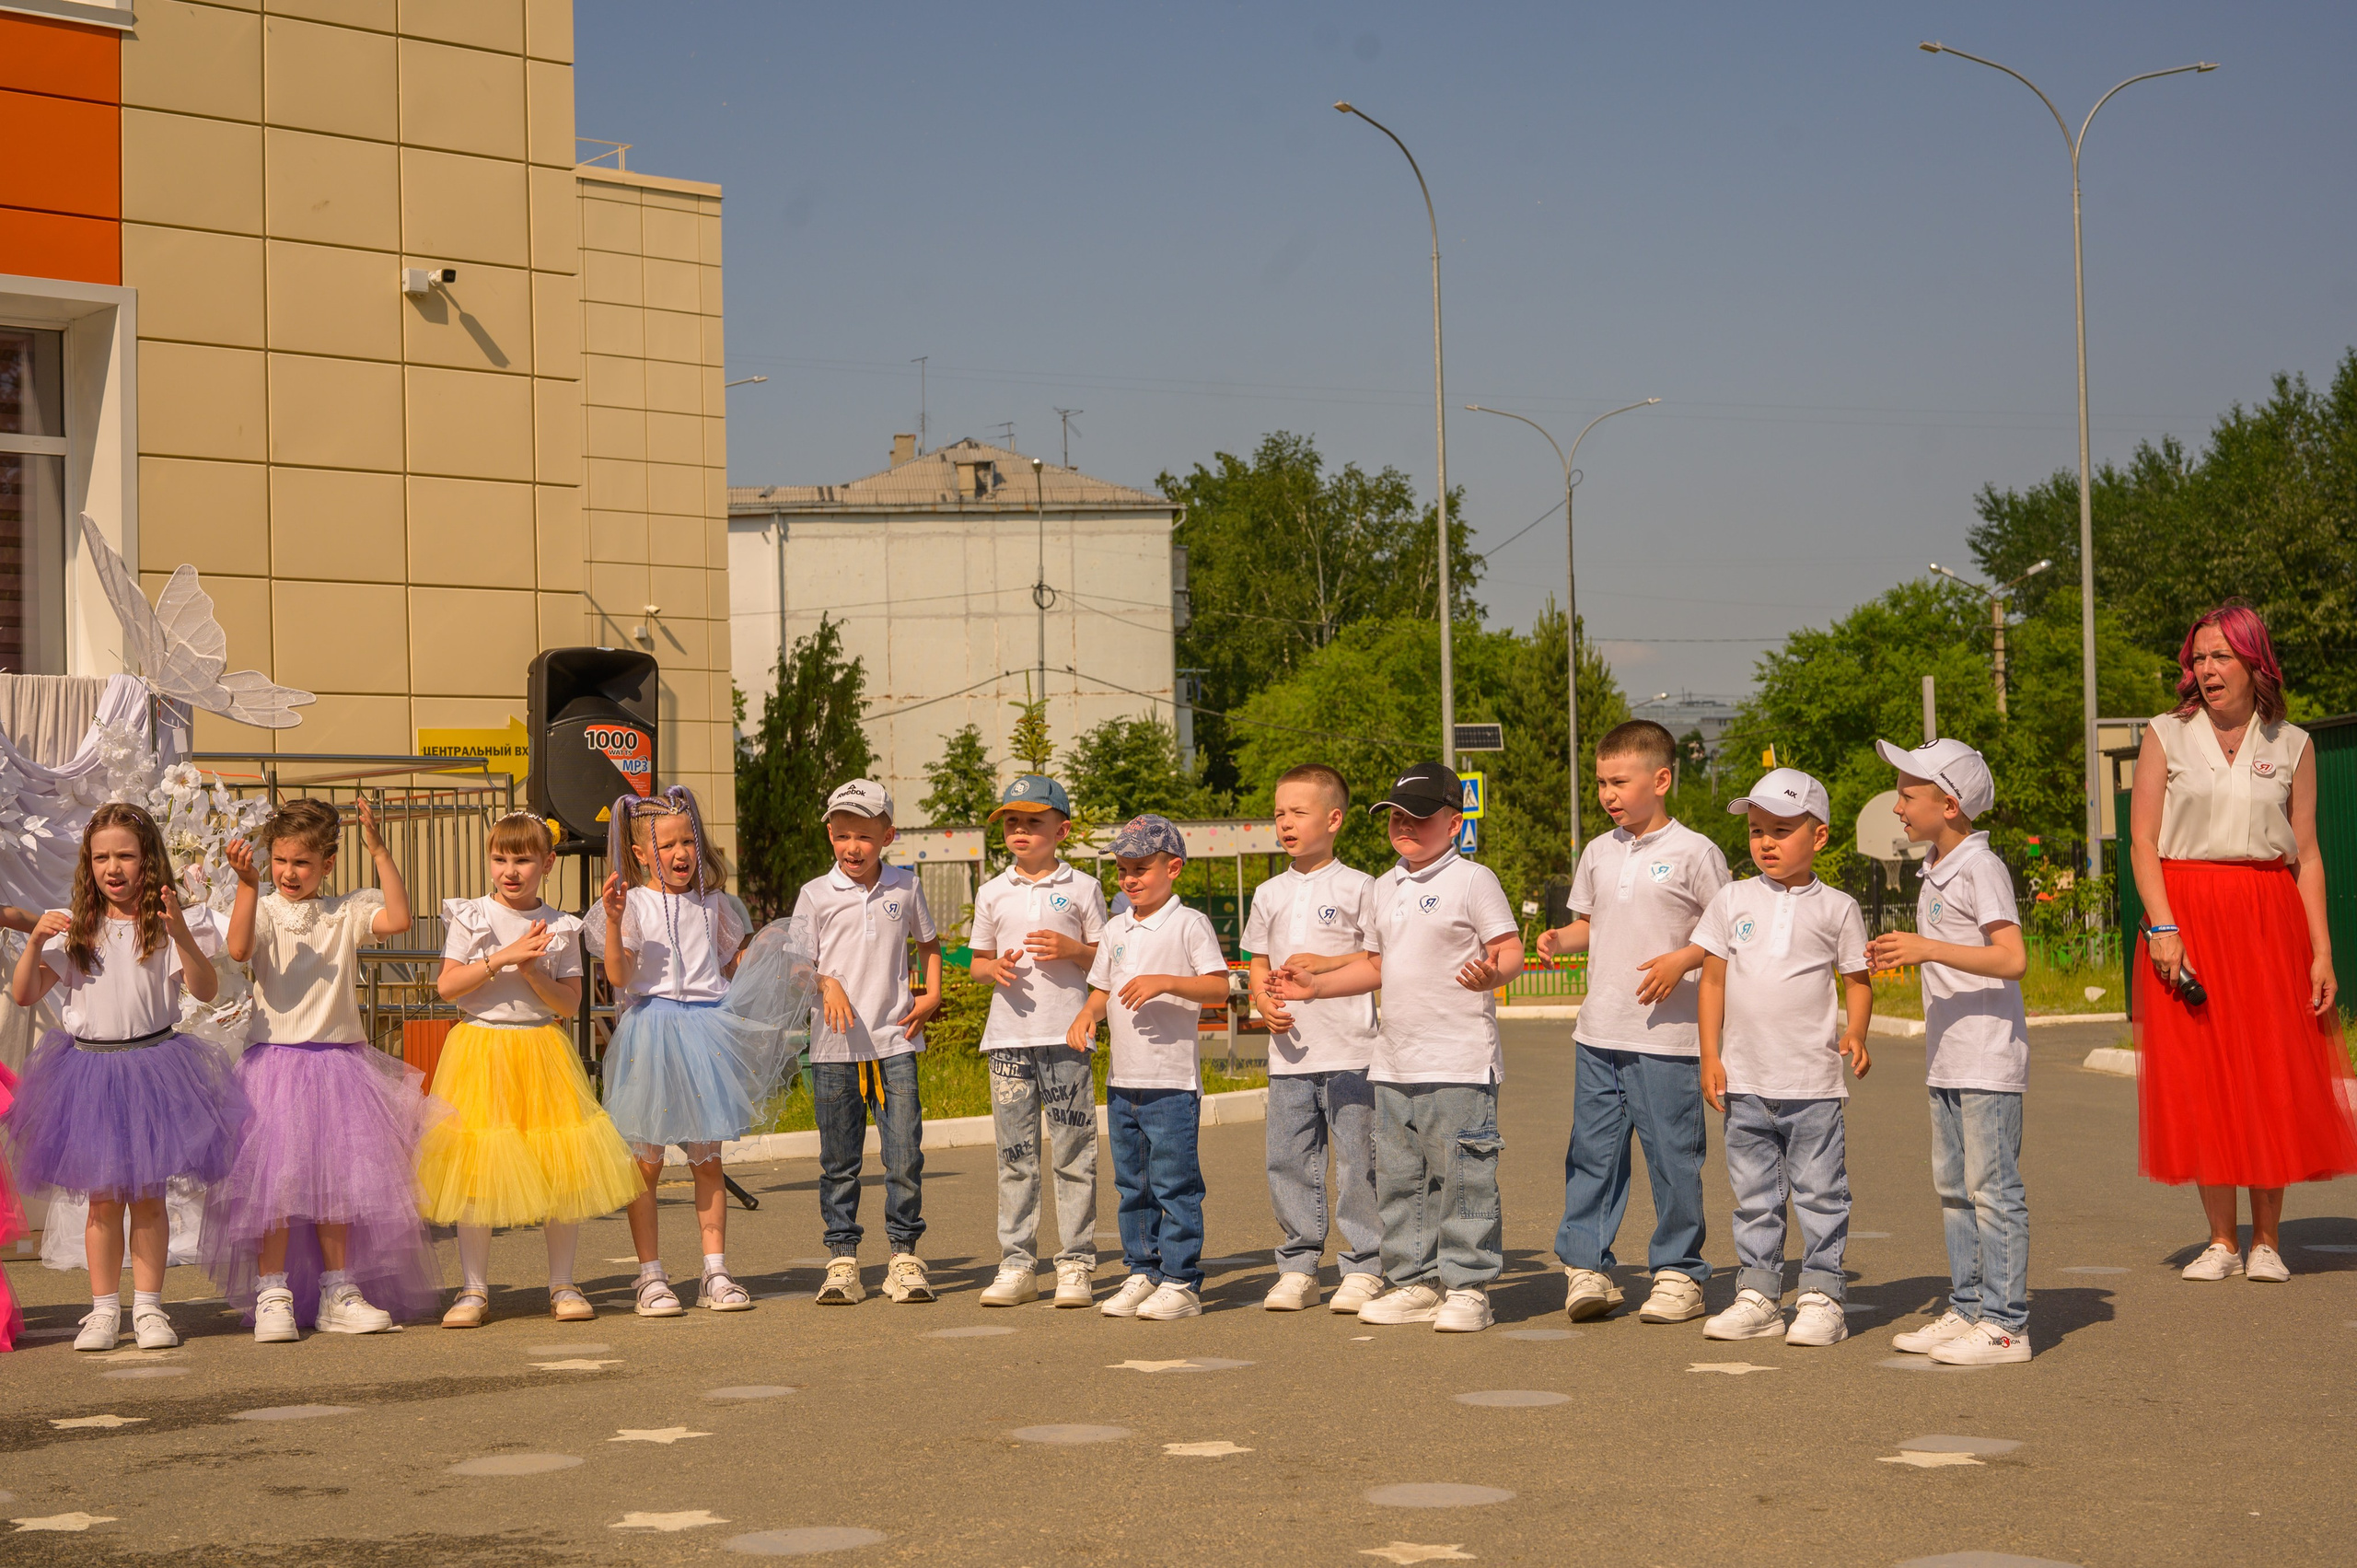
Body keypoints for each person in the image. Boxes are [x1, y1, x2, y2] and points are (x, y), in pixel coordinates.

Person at [2129, 602, 2357, 1282]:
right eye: (2198, 657)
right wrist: (2163, 926)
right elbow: (2143, 841)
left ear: (2255, 664)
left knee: (2267, 1073)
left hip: (2267, 917)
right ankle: (2222, 1241)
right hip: (2186, 915)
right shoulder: (2165, 735)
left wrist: (2322, 950)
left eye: (2220, 656)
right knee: (2203, 1076)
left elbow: (2307, 854)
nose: (2206, 669)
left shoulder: (2294, 744)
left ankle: (2266, 1242)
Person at [1265, 761, 1523, 1334]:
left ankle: (1469, 1287)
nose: (1405, 826)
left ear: (1453, 823)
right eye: (1395, 817)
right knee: (1402, 1180)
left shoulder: (1473, 880)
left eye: (1420, 817)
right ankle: (1414, 1282)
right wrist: (1318, 986)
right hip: (1394, 1062)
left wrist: (1493, 974)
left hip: (1459, 1060)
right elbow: (1378, 965)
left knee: (1462, 1176)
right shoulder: (1385, 886)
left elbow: (1510, 950)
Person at [5, 805, 247, 1352]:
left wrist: (180, 931)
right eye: (101, 857)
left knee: (150, 1199)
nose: (112, 867)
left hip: (154, 1070)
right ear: (88, 864)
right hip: (89, 1075)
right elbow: (24, 993)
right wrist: (35, 939)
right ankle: (103, 1310)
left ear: (148, 860)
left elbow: (205, 989)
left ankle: (150, 1307)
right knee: (103, 1201)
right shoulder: (75, 927)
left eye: (125, 856)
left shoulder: (165, 925)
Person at [206, 797, 443, 1342]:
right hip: (275, 1064)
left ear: (327, 864)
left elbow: (399, 919)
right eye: (281, 860)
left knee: (339, 1182)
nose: (289, 873)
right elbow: (239, 950)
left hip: (339, 1066)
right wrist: (247, 884)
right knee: (276, 1185)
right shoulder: (264, 907)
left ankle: (339, 1290)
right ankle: (273, 1292)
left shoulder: (346, 910)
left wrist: (379, 851)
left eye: (302, 863)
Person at [1536, 720, 1730, 1325]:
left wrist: (1682, 959)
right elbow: (1591, 925)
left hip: (1668, 1039)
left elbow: (1726, 934)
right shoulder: (1598, 851)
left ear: (1661, 780)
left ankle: (1679, 1272)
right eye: (1601, 782)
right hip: (1599, 1033)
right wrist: (1559, 938)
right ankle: (1586, 1267)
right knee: (1592, 1154)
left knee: (1673, 1157)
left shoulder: (1696, 852)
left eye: (1619, 781)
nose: (1608, 794)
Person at [416, 812, 642, 1328]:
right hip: (479, 1048)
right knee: (476, 1167)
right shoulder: (472, 915)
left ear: (548, 862)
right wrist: (502, 958)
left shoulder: (561, 926)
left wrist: (532, 971)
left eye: (522, 859)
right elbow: (448, 987)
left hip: (541, 1049)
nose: (510, 870)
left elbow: (568, 1003)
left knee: (558, 1165)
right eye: (500, 858)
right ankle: (473, 1289)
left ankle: (563, 1283)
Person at [597, 785, 795, 1317]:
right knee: (647, 1164)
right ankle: (650, 1276)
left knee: (708, 1161)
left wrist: (773, 958)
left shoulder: (715, 905)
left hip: (708, 1033)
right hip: (653, 1033)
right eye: (667, 845)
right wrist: (613, 921)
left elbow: (735, 966)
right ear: (641, 853)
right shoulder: (634, 904)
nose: (681, 852)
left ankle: (715, 1271)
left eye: (688, 841)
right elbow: (619, 975)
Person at [1868, 738, 2033, 1366]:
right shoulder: (1938, 868)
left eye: (1908, 795)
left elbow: (2012, 958)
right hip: (1949, 1057)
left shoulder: (1979, 867)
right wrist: (1905, 950)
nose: (1898, 807)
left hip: (1988, 1058)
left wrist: (1927, 948)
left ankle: (2007, 1325)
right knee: (1956, 1189)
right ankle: (1968, 1307)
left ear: (1951, 805)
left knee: (1992, 1190)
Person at [1694, 768, 1872, 1348]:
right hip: (1745, 1082)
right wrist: (1710, 1055)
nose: (1765, 842)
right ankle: (1760, 1295)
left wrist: (1858, 1032)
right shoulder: (1732, 899)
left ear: (1818, 836)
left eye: (1781, 830)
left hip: (1813, 1086)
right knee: (1754, 1199)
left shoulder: (1838, 908)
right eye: (1756, 830)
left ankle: (1822, 1296)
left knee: (1820, 1195)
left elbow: (1857, 980)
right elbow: (1712, 982)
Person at [1067, 814, 1231, 1321]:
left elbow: (1218, 987)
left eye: (1140, 868)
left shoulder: (1189, 923)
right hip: (1123, 1084)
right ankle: (1143, 1271)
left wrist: (1165, 981)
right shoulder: (1115, 927)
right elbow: (1103, 989)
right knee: (1132, 1186)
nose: (1129, 879)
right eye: (1122, 870)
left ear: (1173, 868)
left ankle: (1181, 1281)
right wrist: (1086, 1015)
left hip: (1171, 1084)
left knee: (1174, 1184)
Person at [795, 780, 944, 1307]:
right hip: (834, 1050)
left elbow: (929, 945)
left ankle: (904, 1257)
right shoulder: (815, 894)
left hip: (895, 1042)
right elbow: (795, 966)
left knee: (904, 1156)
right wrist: (825, 983)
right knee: (839, 1162)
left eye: (863, 835)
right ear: (830, 837)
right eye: (841, 835)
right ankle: (842, 1261)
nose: (852, 847)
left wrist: (932, 995)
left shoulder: (906, 886)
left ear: (888, 836)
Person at [1243, 762, 1383, 1315]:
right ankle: (1299, 1267)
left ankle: (1365, 1265)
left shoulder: (1361, 886)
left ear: (1334, 819)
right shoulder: (1268, 892)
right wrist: (1262, 1002)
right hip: (1288, 1056)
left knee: (1357, 1163)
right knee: (1289, 1161)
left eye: (1299, 812)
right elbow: (1258, 961)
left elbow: (1378, 957)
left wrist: (1327, 962)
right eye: (1279, 813)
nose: (1286, 823)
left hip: (1352, 1051)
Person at [968, 774, 1106, 1309]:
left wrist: (1074, 949)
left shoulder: (1084, 887)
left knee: (1074, 1153)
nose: (1020, 831)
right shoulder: (991, 891)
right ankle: (1017, 1264)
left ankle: (1075, 1263)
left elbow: (1107, 960)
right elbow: (978, 963)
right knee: (1015, 1156)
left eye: (1033, 821)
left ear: (1061, 830)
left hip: (1067, 1037)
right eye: (1011, 822)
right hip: (1007, 1040)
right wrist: (992, 970)